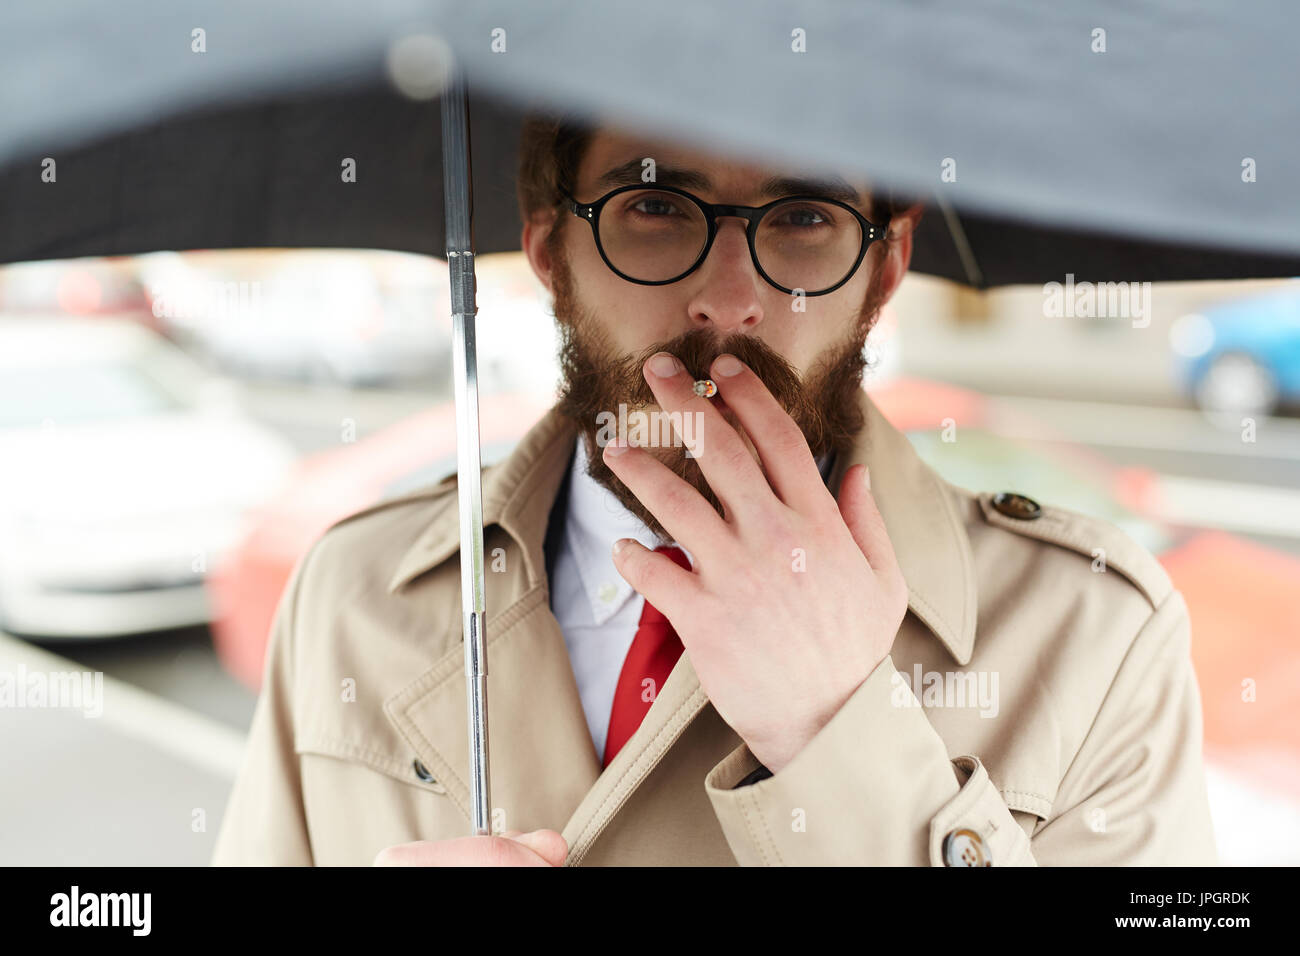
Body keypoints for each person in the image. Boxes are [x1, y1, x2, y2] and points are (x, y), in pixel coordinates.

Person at [211, 116, 1217, 866]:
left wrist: (840, 732)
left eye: (804, 216)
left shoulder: (1092, 637)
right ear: (550, 254)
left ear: (888, 265)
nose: (729, 299)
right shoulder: (350, 596)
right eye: (653, 206)